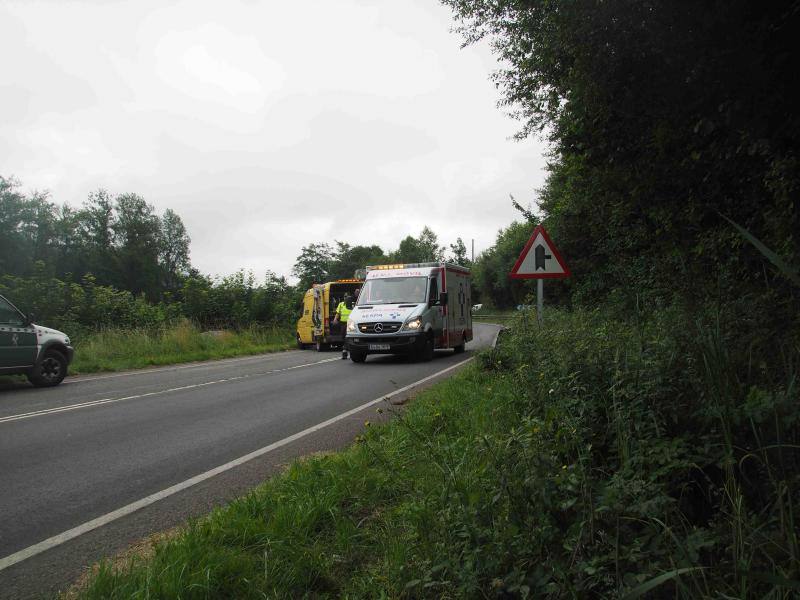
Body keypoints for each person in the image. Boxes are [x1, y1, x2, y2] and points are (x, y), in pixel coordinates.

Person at [333, 293, 354, 359]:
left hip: (351, 323)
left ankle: (345, 351)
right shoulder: (341, 304)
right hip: (343, 323)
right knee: (343, 336)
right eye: (345, 296)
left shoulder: (352, 304)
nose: (345, 297)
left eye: (347, 296)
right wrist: (335, 319)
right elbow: (338, 313)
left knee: (349, 336)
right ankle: (346, 349)